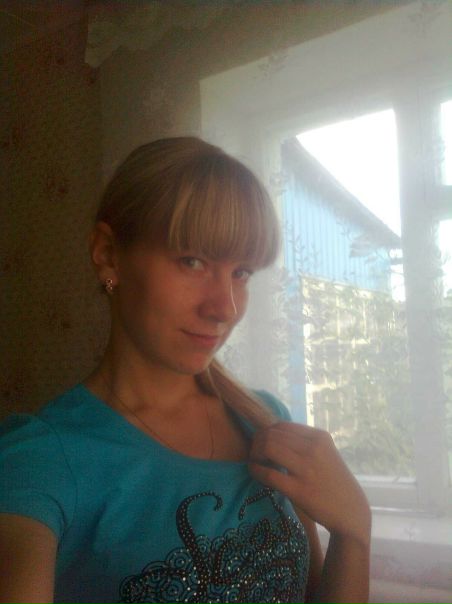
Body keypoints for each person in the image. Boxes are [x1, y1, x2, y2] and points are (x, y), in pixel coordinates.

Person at [0, 137, 371, 604]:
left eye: (241, 272)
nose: (225, 308)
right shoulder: (41, 459)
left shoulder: (267, 422)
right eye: (192, 262)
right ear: (108, 254)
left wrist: (354, 531)